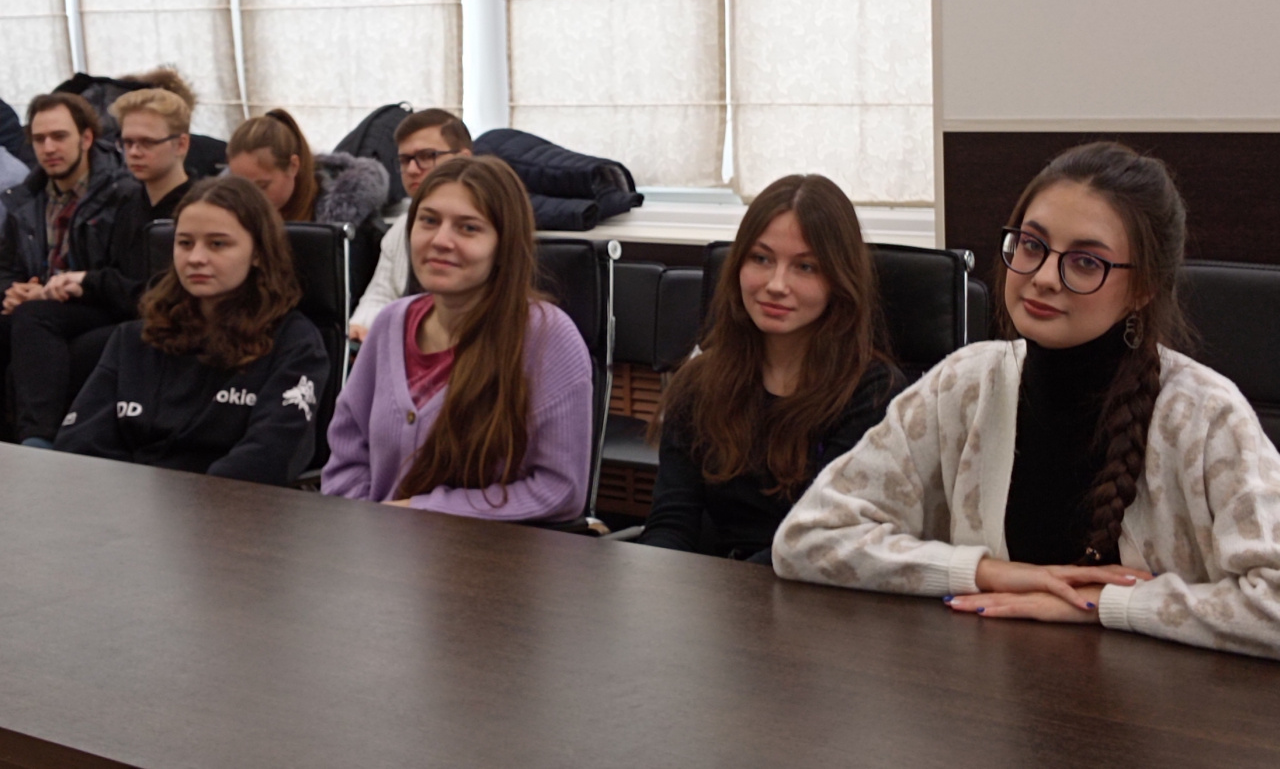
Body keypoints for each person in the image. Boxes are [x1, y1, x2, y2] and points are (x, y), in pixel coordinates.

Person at [773, 142, 1280, 660]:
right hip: (988, 692)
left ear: (1143, 288)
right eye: (1032, 245)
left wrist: (1101, 604)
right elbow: (807, 538)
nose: (1042, 277)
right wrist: (986, 572)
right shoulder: (962, 385)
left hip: (1160, 703)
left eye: (1086, 262)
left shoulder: (1205, 417)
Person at [634, 174, 900, 563]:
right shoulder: (698, 383)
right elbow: (672, 523)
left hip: (813, 588)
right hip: (713, 586)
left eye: (805, 267)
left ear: (839, 281)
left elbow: (819, 541)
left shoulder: (873, 394)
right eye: (761, 259)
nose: (776, 284)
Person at [321, 155, 593, 522]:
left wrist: (421, 511)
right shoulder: (389, 324)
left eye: (468, 228)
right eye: (429, 221)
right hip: (376, 546)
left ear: (503, 245)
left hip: (489, 553)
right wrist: (367, 525)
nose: (440, 241)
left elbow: (559, 489)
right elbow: (346, 458)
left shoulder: (548, 338)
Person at [55, 176, 329, 484]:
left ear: (258, 253)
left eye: (218, 244)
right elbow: (78, 443)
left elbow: (269, 458)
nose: (196, 258)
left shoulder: (295, 344)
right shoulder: (134, 337)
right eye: (185, 243)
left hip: (231, 507)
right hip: (122, 504)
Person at [10, 86, 196, 448]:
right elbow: (116, 275)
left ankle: (42, 440)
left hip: (165, 318)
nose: (134, 152)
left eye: (146, 142)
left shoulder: (193, 207)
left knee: (58, 339)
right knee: (28, 319)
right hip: (123, 308)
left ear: (181, 145)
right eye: (128, 142)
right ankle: (34, 439)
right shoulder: (130, 203)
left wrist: (88, 281)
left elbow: (159, 291)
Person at [0, 93, 133, 428]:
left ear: (86, 138)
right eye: (39, 139)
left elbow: (122, 277)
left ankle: (37, 439)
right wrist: (12, 291)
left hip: (94, 305)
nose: (48, 148)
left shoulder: (121, 193)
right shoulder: (27, 198)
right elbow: (6, 267)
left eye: (59, 136)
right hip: (38, 306)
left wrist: (50, 292)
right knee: (23, 316)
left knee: (33, 318)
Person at [348, 109, 472, 341]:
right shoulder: (402, 228)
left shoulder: (491, 223)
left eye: (427, 156)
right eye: (405, 160)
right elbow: (381, 294)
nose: (413, 169)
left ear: (463, 158)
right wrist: (360, 327)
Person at [226, 108, 387, 227]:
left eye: (262, 186)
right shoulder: (226, 213)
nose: (252, 199)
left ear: (293, 166)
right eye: (241, 188)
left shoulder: (351, 219)